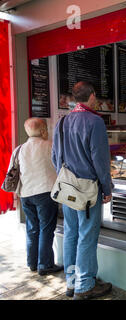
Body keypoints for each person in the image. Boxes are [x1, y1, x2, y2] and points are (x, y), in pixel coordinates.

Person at [52, 81, 113, 300]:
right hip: (88, 190)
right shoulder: (95, 121)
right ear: (92, 96)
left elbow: (54, 158)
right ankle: (85, 286)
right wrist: (107, 188)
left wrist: (67, 179)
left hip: (67, 189)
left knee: (71, 233)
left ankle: (71, 282)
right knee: (87, 235)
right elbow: (100, 160)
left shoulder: (62, 122)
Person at [6, 118, 63, 276]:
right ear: (43, 128)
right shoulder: (51, 145)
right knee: (46, 229)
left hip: (26, 194)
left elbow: (12, 170)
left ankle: (32, 262)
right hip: (45, 193)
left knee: (32, 229)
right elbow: (61, 166)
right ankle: (44, 264)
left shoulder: (19, 149)